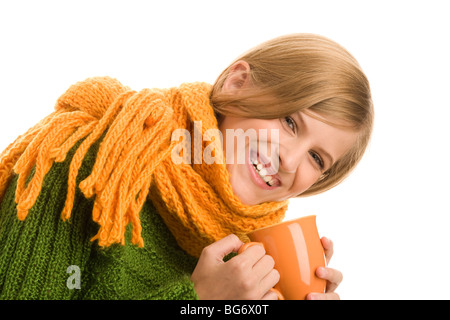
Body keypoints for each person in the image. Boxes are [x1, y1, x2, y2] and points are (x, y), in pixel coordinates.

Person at [0, 33, 373, 300]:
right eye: (290, 122)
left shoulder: (250, 257)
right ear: (238, 83)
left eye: (316, 158)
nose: (289, 161)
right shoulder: (89, 157)